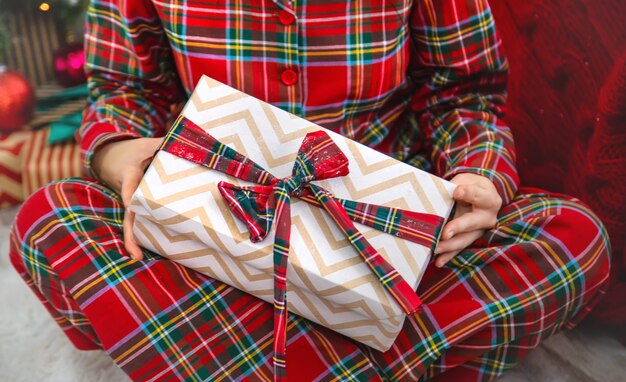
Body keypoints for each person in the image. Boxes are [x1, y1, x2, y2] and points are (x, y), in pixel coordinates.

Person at [9, 0, 611, 380]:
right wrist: (118, 154)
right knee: (48, 223)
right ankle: (358, 352)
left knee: (572, 237)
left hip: (384, 236)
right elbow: (123, 91)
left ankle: (229, 351)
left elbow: (465, 92)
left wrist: (477, 172)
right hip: (211, 228)